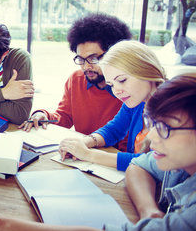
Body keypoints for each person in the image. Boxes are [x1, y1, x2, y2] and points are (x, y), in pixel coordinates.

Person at [0, 73, 196, 231]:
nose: (152, 137)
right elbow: (140, 165)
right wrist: (148, 212)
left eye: (165, 128)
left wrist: (2, 224)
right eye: (151, 124)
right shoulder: (177, 160)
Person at [58, 40, 166, 171]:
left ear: (146, 70)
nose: (117, 91)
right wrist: (86, 142)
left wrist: (89, 155)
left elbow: (151, 163)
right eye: (111, 85)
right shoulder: (139, 100)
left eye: (122, 80)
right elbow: (114, 129)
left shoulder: (174, 109)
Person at [21, 13, 132, 135]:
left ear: (114, 54)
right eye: (81, 59)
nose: (86, 67)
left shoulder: (128, 88)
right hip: (83, 149)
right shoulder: (76, 79)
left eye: (93, 58)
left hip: (112, 153)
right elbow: (65, 117)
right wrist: (44, 115)